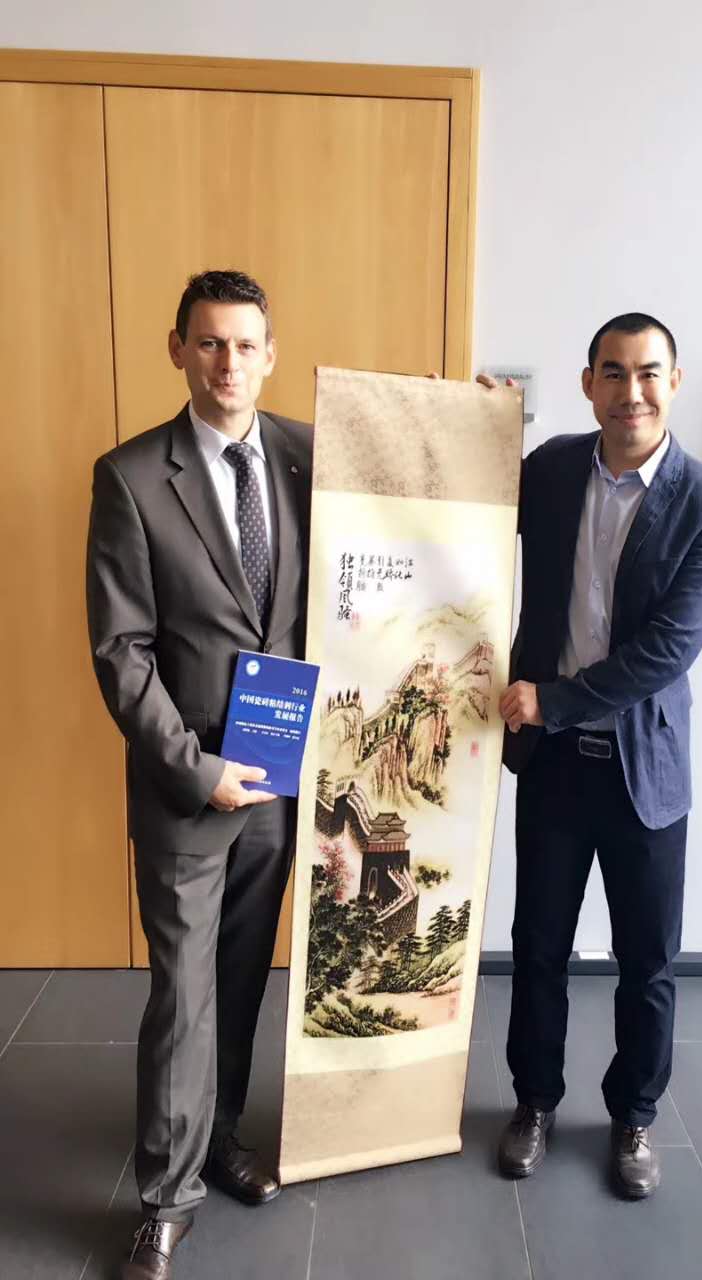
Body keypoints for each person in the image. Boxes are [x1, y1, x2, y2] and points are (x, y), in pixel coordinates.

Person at [86, 269, 312, 1278]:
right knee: (183, 991)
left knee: (242, 973)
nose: (229, 363)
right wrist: (195, 768)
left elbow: (404, 518)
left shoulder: (309, 456)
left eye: (246, 344)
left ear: (270, 353)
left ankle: (218, 1136)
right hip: (189, 780)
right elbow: (121, 651)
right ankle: (165, 1200)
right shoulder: (132, 475)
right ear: (176, 348)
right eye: (210, 343)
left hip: (281, 776)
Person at [494, 312, 702, 1197]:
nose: (630, 392)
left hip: (646, 771)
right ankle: (533, 1102)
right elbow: (465, 501)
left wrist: (553, 699)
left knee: (647, 962)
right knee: (538, 948)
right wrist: (478, 421)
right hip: (554, 766)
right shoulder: (551, 469)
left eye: (647, 373)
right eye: (613, 372)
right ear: (588, 383)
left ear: (673, 382)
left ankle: (634, 1117)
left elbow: (668, 651)